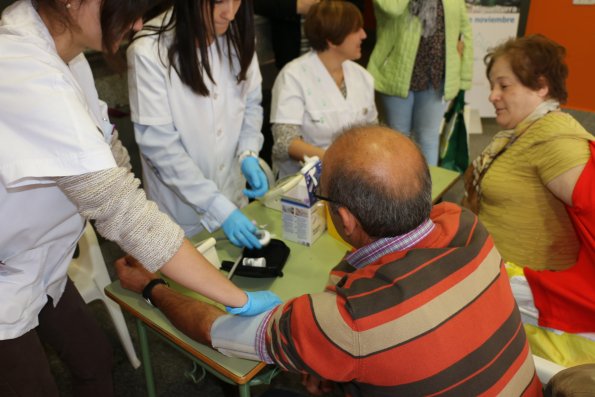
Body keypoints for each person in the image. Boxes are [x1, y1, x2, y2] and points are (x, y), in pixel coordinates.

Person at [116, 125, 543, 396]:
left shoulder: (345, 323)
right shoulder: (466, 226)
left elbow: (214, 329)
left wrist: (153, 289)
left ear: (342, 218)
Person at [0, 1, 279, 395]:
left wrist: (248, 154)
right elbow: (119, 206)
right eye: (124, 8)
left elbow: (109, 149)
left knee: (94, 361)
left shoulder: (67, 55)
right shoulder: (24, 71)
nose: (134, 23)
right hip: (7, 271)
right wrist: (236, 297)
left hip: (39, 260)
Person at [463, 34, 595, 367]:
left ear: (540, 86)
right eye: (493, 85)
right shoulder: (520, 132)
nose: (492, 96)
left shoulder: (555, 138)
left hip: (526, 300)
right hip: (502, 287)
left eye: (504, 86)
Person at [127, 0, 270, 249]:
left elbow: (251, 104)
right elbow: (161, 149)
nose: (230, 13)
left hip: (234, 197)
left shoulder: (237, 35)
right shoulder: (148, 51)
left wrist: (248, 152)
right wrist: (216, 206)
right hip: (180, 217)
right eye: (219, 2)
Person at [270, 0, 378, 178]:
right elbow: (285, 142)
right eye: (356, 30)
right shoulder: (293, 76)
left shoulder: (362, 76)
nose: (364, 35)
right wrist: (336, 161)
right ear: (332, 40)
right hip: (303, 183)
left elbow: (373, 131)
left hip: (352, 176)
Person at [367, 0, 473, 165]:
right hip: (396, 75)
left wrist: (465, 77)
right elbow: (392, 8)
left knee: (428, 139)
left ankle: (427, 189)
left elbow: (465, 31)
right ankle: (398, 189)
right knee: (398, 138)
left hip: (435, 78)